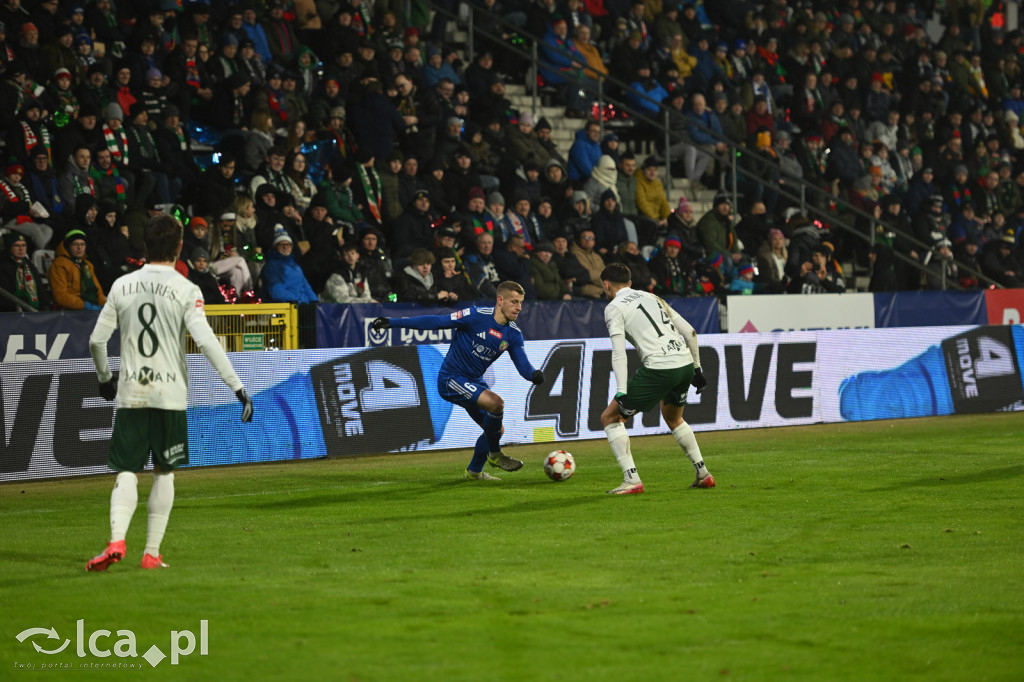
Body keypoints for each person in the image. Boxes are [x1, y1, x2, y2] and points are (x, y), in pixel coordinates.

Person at [86, 215, 253, 572]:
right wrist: (237, 386)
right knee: (164, 472)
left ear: (145, 246)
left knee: (127, 470)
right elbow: (206, 342)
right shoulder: (186, 289)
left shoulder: (121, 285)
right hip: (170, 394)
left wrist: (104, 378)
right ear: (179, 247)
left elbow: (97, 340)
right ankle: (151, 553)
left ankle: (116, 540)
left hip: (132, 392)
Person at [371, 281, 544, 480]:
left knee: (496, 430)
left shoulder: (513, 334)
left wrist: (533, 375)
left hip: (474, 381)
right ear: (500, 300)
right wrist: (392, 322)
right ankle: (495, 454)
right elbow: (436, 322)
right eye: (514, 302)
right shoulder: (475, 315)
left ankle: (474, 473)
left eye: (521, 302)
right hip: (450, 378)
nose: (519, 307)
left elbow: (523, 365)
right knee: (496, 403)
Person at [598, 262, 715, 494]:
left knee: (610, 418)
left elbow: (619, 352)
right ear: (630, 283)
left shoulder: (614, 308)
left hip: (660, 368)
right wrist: (697, 368)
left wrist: (622, 391)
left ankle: (631, 480)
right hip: (684, 364)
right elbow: (690, 331)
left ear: (606, 285)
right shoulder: (652, 297)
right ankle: (703, 473)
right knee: (674, 418)